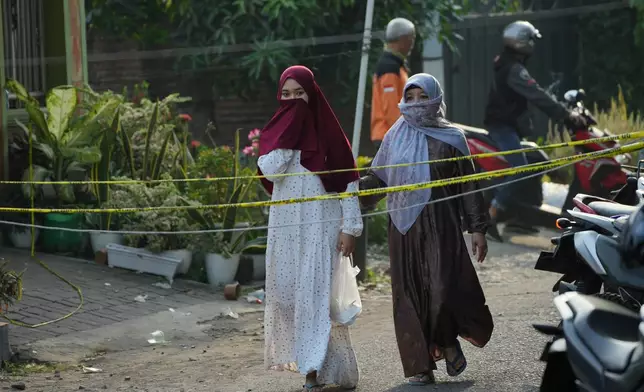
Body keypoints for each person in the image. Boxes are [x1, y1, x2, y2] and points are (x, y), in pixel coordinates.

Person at [360, 73, 494, 385]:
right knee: (407, 296)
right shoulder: (395, 136)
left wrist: (477, 229)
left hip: (442, 226)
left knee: (441, 288)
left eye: (424, 97)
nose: (417, 104)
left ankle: (447, 342)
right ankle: (419, 364)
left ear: (436, 99)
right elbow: (379, 179)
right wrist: (349, 193)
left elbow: (469, 186)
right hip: (403, 229)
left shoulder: (453, 138)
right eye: (411, 98)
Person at [257, 65, 363, 392]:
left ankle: (312, 371)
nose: (293, 101)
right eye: (286, 95)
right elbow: (270, 171)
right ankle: (331, 366)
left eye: (299, 94)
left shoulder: (329, 133)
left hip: (322, 226)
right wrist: (288, 136)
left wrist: (350, 227)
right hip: (287, 227)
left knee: (315, 295)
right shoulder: (277, 136)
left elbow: (347, 183)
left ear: (312, 94)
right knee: (288, 294)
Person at [483, 20, 587, 240]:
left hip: (506, 126)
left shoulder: (507, 63)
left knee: (536, 160)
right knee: (519, 169)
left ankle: (519, 219)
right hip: (502, 128)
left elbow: (537, 93)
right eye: (531, 40)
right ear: (522, 42)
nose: (533, 45)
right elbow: (537, 95)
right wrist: (566, 115)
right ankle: (491, 213)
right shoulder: (513, 69)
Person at [370, 17, 416, 150]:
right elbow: (391, 108)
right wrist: (403, 136)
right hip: (390, 136)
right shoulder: (389, 67)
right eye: (411, 38)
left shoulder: (395, 65)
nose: (412, 43)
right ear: (402, 39)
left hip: (394, 135)